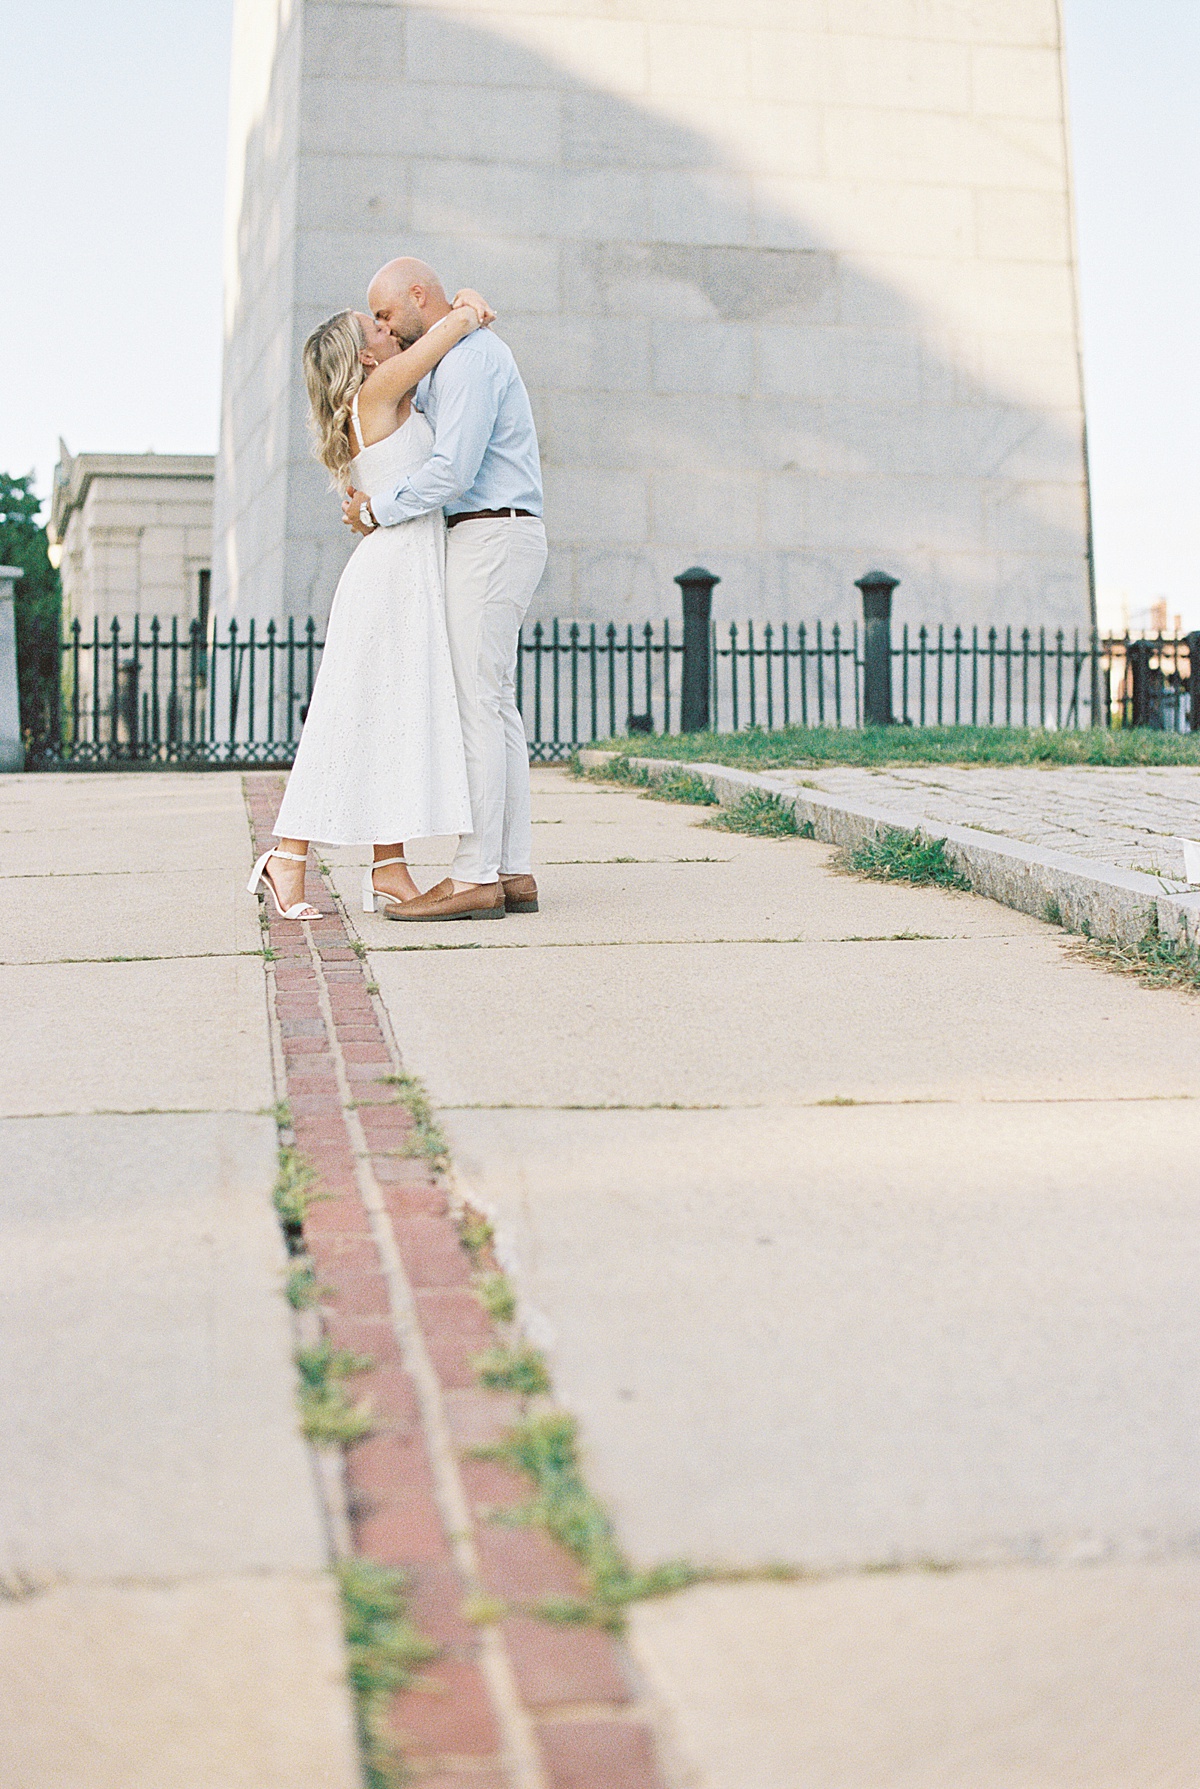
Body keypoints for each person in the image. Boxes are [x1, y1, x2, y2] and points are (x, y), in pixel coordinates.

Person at [247, 288, 497, 923]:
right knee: (351, 714)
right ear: (364, 354)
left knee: (400, 718)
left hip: (405, 571)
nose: (390, 329)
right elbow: (451, 331)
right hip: (389, 580)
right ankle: (286, 855)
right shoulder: (379, 388)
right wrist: (465, 305)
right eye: (377, 326)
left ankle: (390, 868)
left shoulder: (377, 399)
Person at [342, 256, 546, 921]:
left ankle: (474, 874)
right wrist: (462, 313)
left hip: (489, 532)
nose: (382, 326)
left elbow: (452, 470)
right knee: (496, 703)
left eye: (384, 313)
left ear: (417, 295)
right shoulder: (450, 356)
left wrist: (377, 509)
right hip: (500, 532)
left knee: (475, 705)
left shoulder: (466, 361)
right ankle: (510, 870)